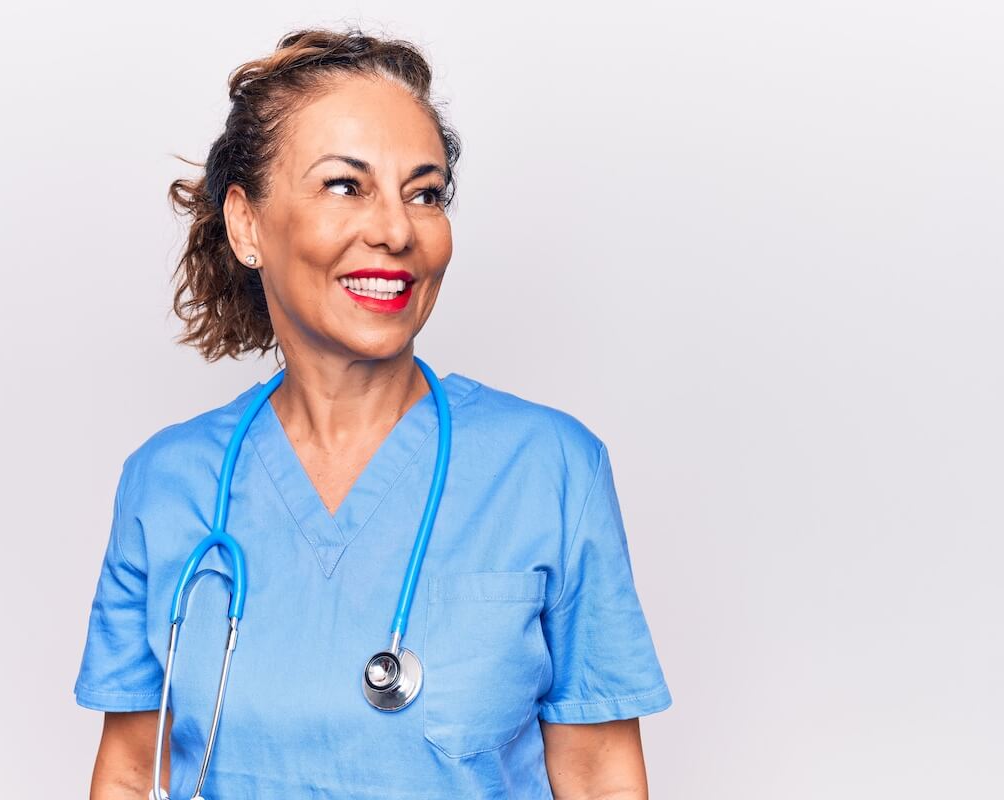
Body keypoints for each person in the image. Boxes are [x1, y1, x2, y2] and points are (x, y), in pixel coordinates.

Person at [74, 27, 672, 800]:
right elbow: (128, 770)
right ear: (248, 225)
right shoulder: (166, 483)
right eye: (345, 186)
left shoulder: (551, 470)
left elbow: (597, 776)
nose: (396, 230)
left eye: (423, 193)